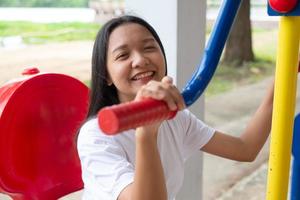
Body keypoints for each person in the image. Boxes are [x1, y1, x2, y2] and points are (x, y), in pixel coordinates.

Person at [77, 15, 274, 200]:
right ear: (107, 75)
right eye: (123, 55)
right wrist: (146, 133)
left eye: (148, 48)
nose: (140, 60)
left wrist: (282, 81)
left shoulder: (177, 118)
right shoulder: (96, 136)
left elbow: (245, 149)